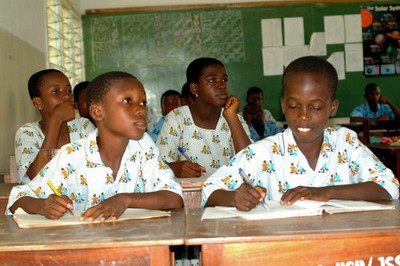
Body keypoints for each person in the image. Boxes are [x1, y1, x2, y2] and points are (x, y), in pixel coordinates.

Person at [202, 56, 399, 211]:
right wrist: (235, 197)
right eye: (294, 106)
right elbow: (209, 190)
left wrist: (326, 192)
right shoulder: (265, 151)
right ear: (282, 105)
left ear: (333, 107)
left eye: (315, 107)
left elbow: (389, 186)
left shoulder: (345, 142)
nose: (303, 116)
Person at [6, 71, 183, 221]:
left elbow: (174, 197)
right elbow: (17, 198)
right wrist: (43, 206)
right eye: (128, 101)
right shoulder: (72, 156)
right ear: (97, 112)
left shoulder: (143, 146)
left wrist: (125, 200)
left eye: (143, 102)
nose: (140, 109)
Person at [156, 57, 252, 178]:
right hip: (191, 193)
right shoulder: (176, 118)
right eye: (212, 80)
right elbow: (157, 166)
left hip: (228, 193)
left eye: (224, 80)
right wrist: (174, 168)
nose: (221, 85)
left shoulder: (235, 119)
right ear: (195, 88)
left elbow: (250, 163)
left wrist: (231, 116)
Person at [15, 69, 95, 184]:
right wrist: (55, 121)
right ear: (38, 102)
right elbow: (36, 177)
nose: (66, 96)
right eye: (56, 91)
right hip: (42, 201)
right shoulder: (28, 133)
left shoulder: (83, 126)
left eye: (69, 90)